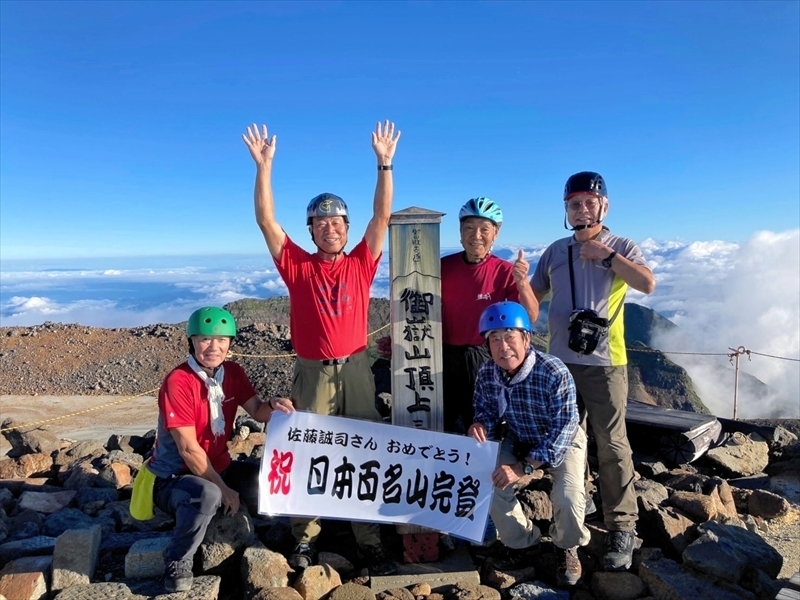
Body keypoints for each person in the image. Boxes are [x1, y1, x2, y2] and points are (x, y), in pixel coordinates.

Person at [242, 120, 401, 575]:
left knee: (363, 449)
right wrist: (264, 167)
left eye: (337, 222)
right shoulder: (297, 266)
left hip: (356, 367)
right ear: (311, 230)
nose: (330, 228)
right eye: (321, 222)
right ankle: (305, 537)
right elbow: (266, 220)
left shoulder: (361, 263)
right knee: (308, 449)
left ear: (346, 228)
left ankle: (367, 535)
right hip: (313, 371)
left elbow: (382, 217)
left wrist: (384, 163)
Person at [530, 171, 656, 571]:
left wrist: (608, 257)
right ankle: (571, 522)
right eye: (574, 203)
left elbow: (647, 285)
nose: (582, 209)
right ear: (565, 209)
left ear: (604, 206)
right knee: (568, 442)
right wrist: (519, 285)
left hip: (605, 363)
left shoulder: (621, 245)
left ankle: (623, 524)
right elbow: (534, 300)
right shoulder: (554, 251)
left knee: (612, 443)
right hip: (561, 363)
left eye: (589, 202)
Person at [147, 306, 294, 593]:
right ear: (192, 341)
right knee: (208, 495)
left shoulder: (233, 373)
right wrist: (224, 489)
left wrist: (274, 404)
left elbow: (258, 411)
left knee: (263, 480)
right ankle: (178, 561)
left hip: (220, 466)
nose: (213, 347)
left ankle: (268, 533)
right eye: (204, 339)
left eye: (222, 340)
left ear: (230, 343)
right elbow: (188, 450)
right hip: (173, 477)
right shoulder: (178, 381)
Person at [468, 301, 590, 588]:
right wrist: (480, 424)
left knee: (570, 496)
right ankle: (522, 542)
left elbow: (564, 428)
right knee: (493, 482)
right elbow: (484, 409)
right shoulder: (489, 372)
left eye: (510, 336)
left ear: (526, 338)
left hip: (562, 439)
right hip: (520, 435)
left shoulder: (552, 371)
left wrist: (523, 467)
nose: (502, 346)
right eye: (494, 339)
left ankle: (566, 546)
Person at [441, 197, 539, 433]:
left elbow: (532, 315)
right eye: (469, 228)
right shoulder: (442, 266)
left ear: (495, 233)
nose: (476, 235)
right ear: (460, 232)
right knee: (440, 420)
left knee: (480, 423)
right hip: (440, 353)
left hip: (483, 356)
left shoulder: (504, 271)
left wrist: (522, 282)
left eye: (484, 229)